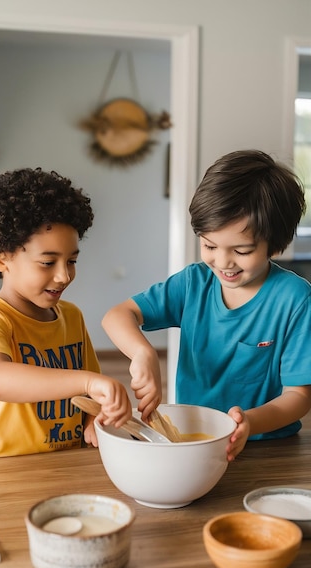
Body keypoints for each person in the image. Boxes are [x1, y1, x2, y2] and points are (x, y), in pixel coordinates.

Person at [102, 150, 311, 461]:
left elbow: (298, 397)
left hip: (267, 448)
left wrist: (249, 423)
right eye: (209, 246)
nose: (223, 262)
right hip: (193, 444)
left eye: (241, 250)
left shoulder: (295, 299)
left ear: (276, 243)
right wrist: (143, 353)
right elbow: (117, 316)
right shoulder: (193, 284)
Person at [0, 167, 131, 459]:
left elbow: (90, 394)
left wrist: (95, 417)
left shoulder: (72, 316)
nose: (64, 276)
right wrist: (88, 382)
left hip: (64, 465)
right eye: (47, 262)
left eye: (72, 261)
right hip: (0, 472)